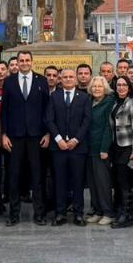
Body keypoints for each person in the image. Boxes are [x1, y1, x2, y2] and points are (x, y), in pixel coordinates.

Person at [0, 50, 50, 226]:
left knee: (37, 176)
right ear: (17, 62)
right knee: (14, 176)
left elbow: (47, 110)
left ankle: (39, 214)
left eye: (27, 60)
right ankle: (14, 215)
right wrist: (4, 134)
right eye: (21, 60)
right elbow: (4, 110)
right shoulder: (9, 81)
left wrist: (47, 133)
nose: (25, 63)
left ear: (32, 62)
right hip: (15, 136)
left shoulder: (41, 81)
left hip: (37, 136)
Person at [46, 69, 90, 226]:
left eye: (71, 77)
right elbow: (49, 120)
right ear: (60, 79)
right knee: (60, 181)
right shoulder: (54, 96)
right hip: (59, 147)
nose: (68, 79)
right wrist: (58, 139)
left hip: (78, 148)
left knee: (78, 182)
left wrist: (76, 139)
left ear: (76, 80)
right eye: (65, 77)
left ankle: (78, 214)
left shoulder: (84, 97)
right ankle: (60, 213)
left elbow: (86, 120)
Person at [108, 76, 133, 229]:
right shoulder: (116, 103)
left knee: (125, 182)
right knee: (118, 181)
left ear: (129, 88)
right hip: (116, 147)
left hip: (128, 147)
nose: (121, 87)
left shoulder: (132, 103)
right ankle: (121, 211)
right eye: (119, 85)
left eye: (124, 85)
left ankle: (127, 215)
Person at [85, 76, 115, 225]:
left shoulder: (109, 103)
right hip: (89, 148)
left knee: (103, 183)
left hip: (101, 149)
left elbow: (108, 127)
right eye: (94, 86)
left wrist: (104, 148)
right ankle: (98, 211)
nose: (96, 89)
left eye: (100, 86)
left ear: (105, 88)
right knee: (93, 183)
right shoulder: (89, 101)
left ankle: (108, 213)